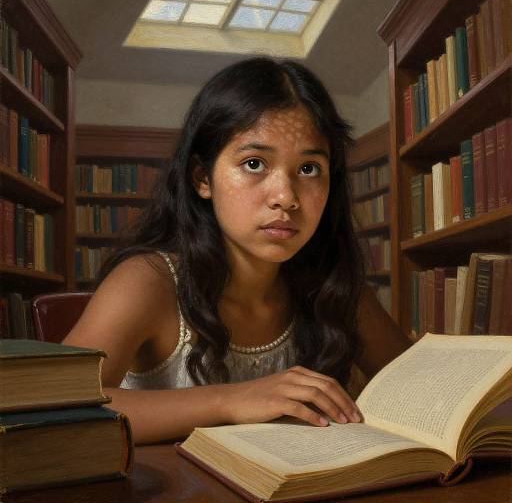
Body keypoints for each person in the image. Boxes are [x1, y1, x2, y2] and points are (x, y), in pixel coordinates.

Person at [63, 57, 412, 444]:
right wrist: (232, 400)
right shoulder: (149, 280)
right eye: (254, 163)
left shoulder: (337, 289)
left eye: (309, 169)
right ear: (202, 178)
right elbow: (57, 406)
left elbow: (420, 392)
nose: (286, 198)